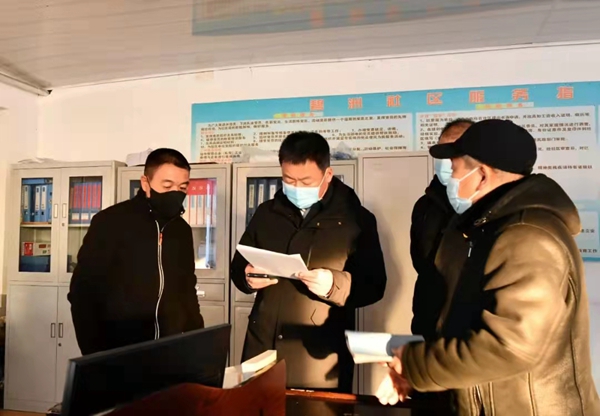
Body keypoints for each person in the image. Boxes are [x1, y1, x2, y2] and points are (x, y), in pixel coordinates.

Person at [377, 119, 600, 415]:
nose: (451, 179)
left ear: (481, 176)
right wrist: (422, 374)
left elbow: (509, 345)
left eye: (455, 169)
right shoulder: (485, 229)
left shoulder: (527, 237)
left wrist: (415, 364)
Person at [231, 131, 387, 392]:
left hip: (318, 355)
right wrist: (246, 276)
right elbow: (238, 265)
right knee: (255, 405)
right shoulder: (267, 214)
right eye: (288, 180)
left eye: (306, 181)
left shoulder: (356, 220)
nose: (296, 188)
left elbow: (374, 286)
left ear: (328, 174)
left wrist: (333, 285)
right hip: (262, 346)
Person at [69, 148, 204, 355]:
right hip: (119, 352)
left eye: (182, 187)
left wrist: (197, 342)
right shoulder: (110, 222)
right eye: (167, 186)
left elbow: (187, 289)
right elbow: (82, 293)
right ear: (145, 183)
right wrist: (95, 355)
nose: (175, 193)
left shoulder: (181, 231)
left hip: (170, 350)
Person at [410, 118, 473, 339]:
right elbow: (419, 261)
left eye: (454, 153)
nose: (447, 162)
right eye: (443, 153)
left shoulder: (487, 204)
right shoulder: (424, 206)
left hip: (469, 331)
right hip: (428, 323)